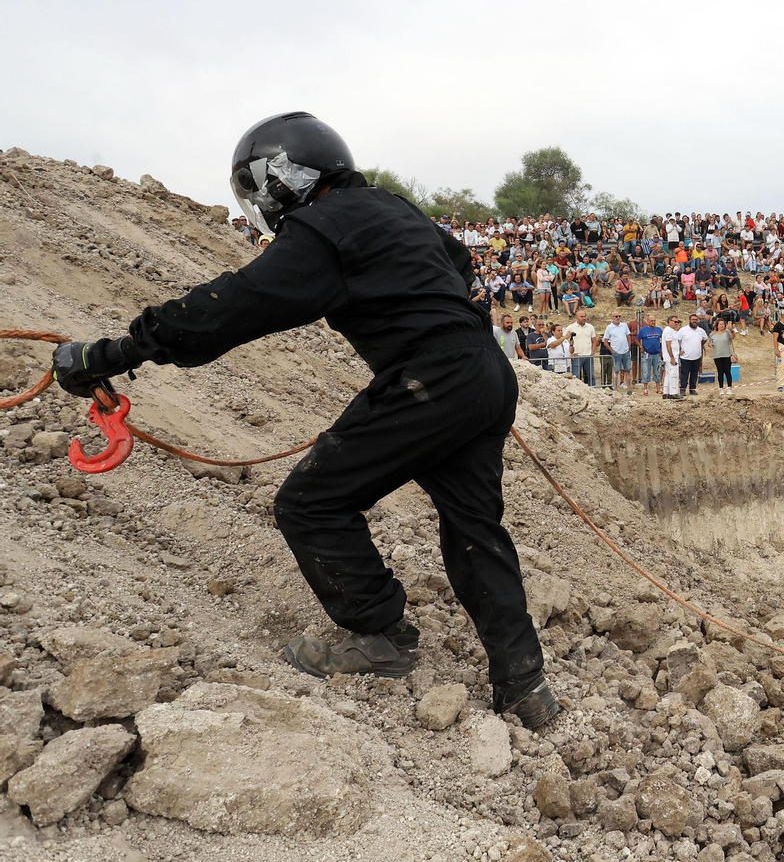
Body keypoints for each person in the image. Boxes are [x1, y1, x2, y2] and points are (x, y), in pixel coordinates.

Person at [50, 112, 559, 728]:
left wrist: (110, 353)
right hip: (484, 373)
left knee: (310, 502)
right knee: (475, 526)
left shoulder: (321, 228)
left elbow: (229, 308)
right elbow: (459, 264)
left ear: (282, 179)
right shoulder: (393, 209)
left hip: (429, 379)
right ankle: (524, 686)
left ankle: (381, 636)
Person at [564, 310, 598, 386]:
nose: (584, 318)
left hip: (588, 355)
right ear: (577, 317)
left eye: (584, 316)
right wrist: (570, 352)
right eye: (581, 316)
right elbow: (564, 339)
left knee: (591, 375)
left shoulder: (590, 327)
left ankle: (593, 391)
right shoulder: (571, 327)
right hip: (577, 356)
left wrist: (592, 352)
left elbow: (594, 341)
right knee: (576, 376)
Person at [676, 315, 708, 396]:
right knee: (684, 374)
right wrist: (679, 350)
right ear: (689, 320)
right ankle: (683, 389)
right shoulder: (683, 330)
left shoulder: (701, 331)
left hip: (696, 357)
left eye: (696, 320)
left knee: (694, 374)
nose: (694, 321)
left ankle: (692, 389)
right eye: (693, 320)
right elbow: (677, 341)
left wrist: (699, 346)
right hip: (685, 357)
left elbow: (704, 339)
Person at [603, 313, 632, 392]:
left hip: (625, 351)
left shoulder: (624, 325)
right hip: (616, 352)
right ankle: (616, 389)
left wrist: (629, 346)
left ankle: (629, 389)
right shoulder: (609, 328)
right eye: (616, 316)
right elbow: (605, 341)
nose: (618, 318)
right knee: (616, 371)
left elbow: (628, 336)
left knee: (627, 370)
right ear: (612, 317)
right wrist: (612, 350)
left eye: (619, 316)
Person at [709, 318, 737, 395]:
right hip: (717, 355)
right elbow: (709, 342)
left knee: (727, 371)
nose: (722, 325)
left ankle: (729, 388)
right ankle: (720, 388)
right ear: (717, 325)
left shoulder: (727, 332)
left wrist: (731, 330)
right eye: (720, 324)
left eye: (723, 324)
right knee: (720, 372)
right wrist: (710, 345)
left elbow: (733, 337)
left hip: (727, 354)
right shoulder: (713, 334)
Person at [661, 315, 683, 399]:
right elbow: (668, 345)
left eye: (677, 322)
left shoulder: (672, 331)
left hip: (672, 355)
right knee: (674, 374)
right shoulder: (668, 331)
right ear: (669, 321)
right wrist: (672, 357)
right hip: (671, 356)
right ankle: (673, 393)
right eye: (675, 322)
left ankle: (666, 392)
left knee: (668, 374)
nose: (676, 323)